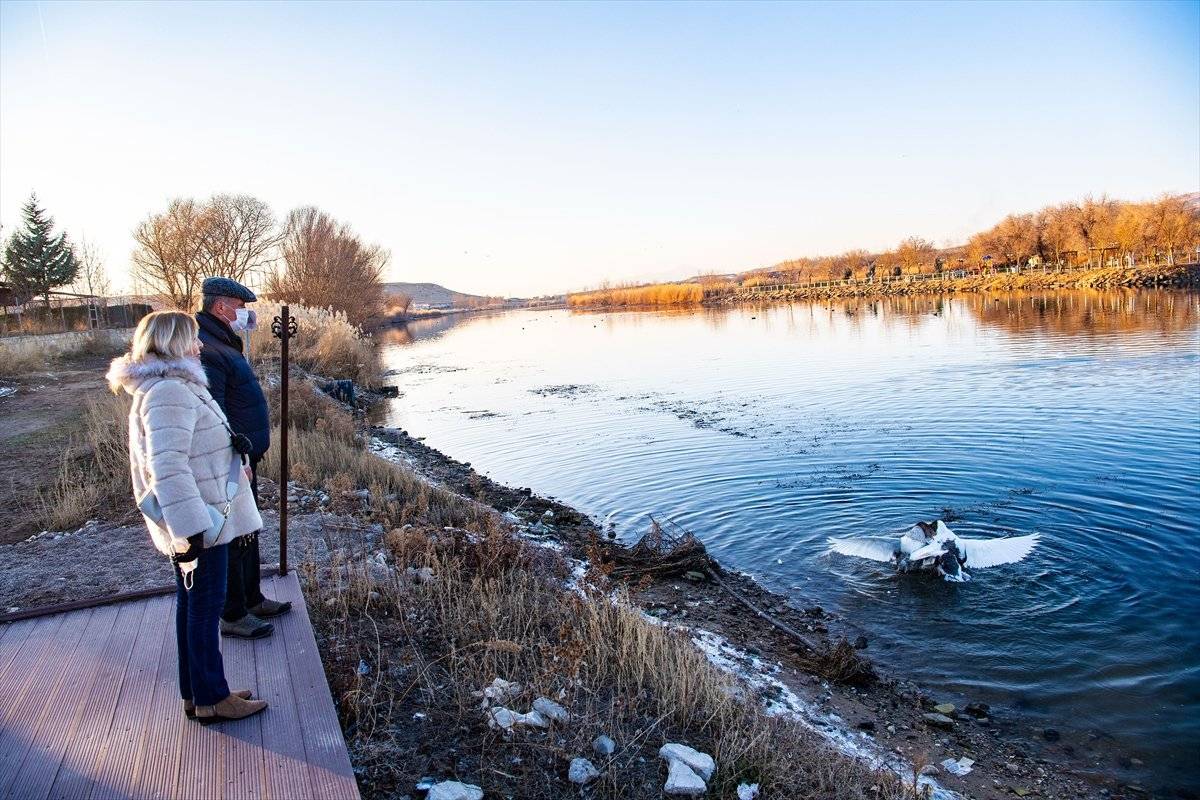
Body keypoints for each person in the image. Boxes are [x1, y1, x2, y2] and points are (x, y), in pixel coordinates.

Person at [107, 311, 268, 723]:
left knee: (192, 604)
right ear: (174, 342)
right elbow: (168, 468)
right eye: (192, 338)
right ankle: (213, 697)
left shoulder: (169, 386)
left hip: (200, 514)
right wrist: (192, 530)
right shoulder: (168, 392)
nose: (199, 345)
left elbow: (192, 450)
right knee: (204, 608)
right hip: (202, 522)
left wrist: (235, 458)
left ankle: (196, 691)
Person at [196, 276, 291, 639]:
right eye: (239, 307)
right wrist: (238, 458)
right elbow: (216, 413)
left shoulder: (223, 342)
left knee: (248, 530)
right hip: (232, 462)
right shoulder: (209, 349)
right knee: (234, 534)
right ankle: (232, 613)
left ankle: (252, 598)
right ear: (221, 307)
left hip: (245, 457)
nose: (245, 314)